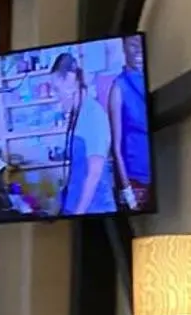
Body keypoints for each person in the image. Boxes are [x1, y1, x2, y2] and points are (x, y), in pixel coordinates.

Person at [55, 50, 114, 215]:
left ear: (70, 82)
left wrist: (78, 215)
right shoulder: (78, 114)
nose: (56, 96)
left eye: (57, 89)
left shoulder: (93, 115)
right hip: (74, 202)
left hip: (94, 208)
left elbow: (94, 173)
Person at [107, 35, 151, 211]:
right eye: (133, 45)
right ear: (124, 49)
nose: (139, 49)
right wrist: (128, 192)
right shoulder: (119, 87)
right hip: (135, 178)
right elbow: (116, 147)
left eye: (141, 45)